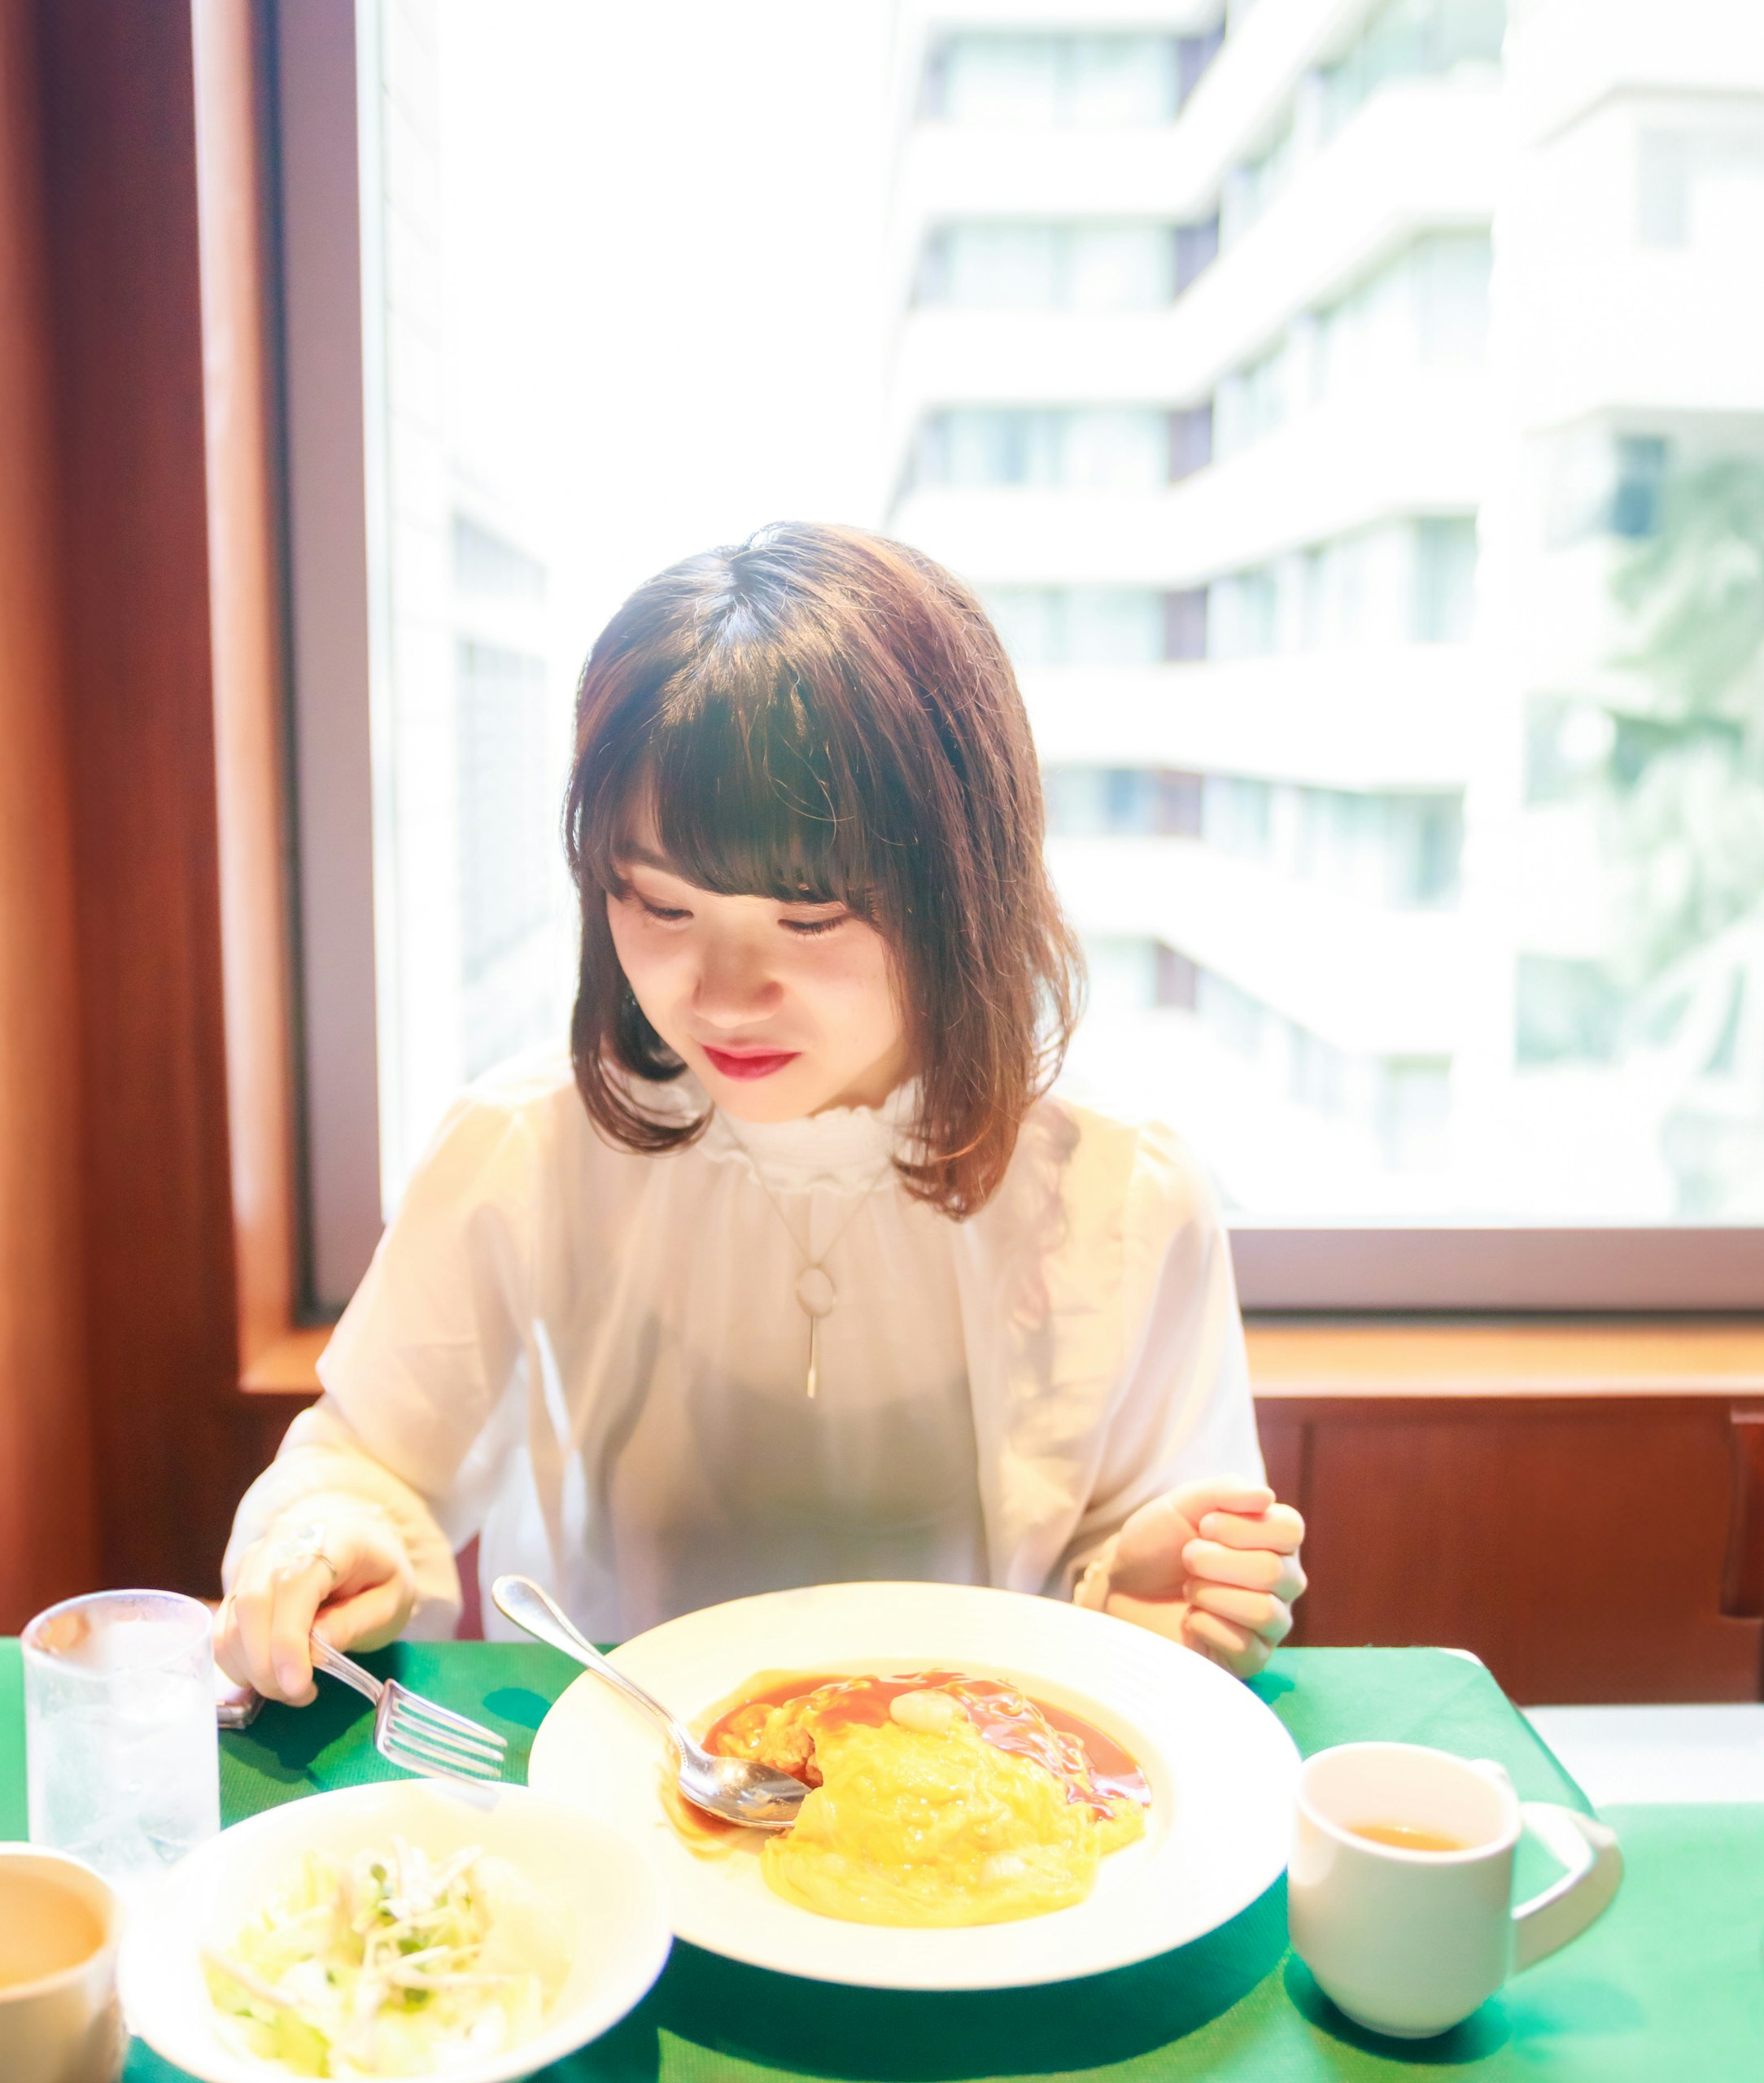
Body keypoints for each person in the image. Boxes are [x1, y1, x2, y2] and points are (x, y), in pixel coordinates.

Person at [217, 524, 1308, 1705]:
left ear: (964, 890)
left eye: (810, 919)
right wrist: (331, 1536)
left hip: (992, 1817)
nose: (725, 996)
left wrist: (1146, 1598)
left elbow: (1149, 1558)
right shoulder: (523, 1146)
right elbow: (374, 1462)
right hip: (626, 1788)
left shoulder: (1121, 1191)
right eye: (661, 906)